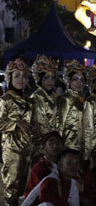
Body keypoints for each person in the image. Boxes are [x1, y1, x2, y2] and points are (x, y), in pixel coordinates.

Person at [0, 58, 33, 206]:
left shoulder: (28, 100)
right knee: (11, 188)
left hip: (27, 148)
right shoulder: (5, 99)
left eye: (24, 76)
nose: (21, 79)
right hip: (12, 149)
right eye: (16, 76)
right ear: (10, 78)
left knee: (22, 188)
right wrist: (16, 123)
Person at [30, 54, 59, 153]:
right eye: (46, 78)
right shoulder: (37, 96)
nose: (50, 81)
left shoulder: (53, 95)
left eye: (52, 78)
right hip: (43, 145)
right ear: (40, 79)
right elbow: (41, 124)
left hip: (54, 142)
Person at [24, 131, 64, 200]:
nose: (55, 146)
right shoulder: (39, 167)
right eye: (51, 143)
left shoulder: (65, 165)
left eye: (58, 143)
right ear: (44, 147)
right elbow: (42, 193)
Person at [57, 59, 86, 152]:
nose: (79, 83)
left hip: (80, 143)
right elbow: (60, 124)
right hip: (68, 145)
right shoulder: (65, 99)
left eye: (81, 79)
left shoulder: (81, 98)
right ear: (68, 81)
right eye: (75, 79)